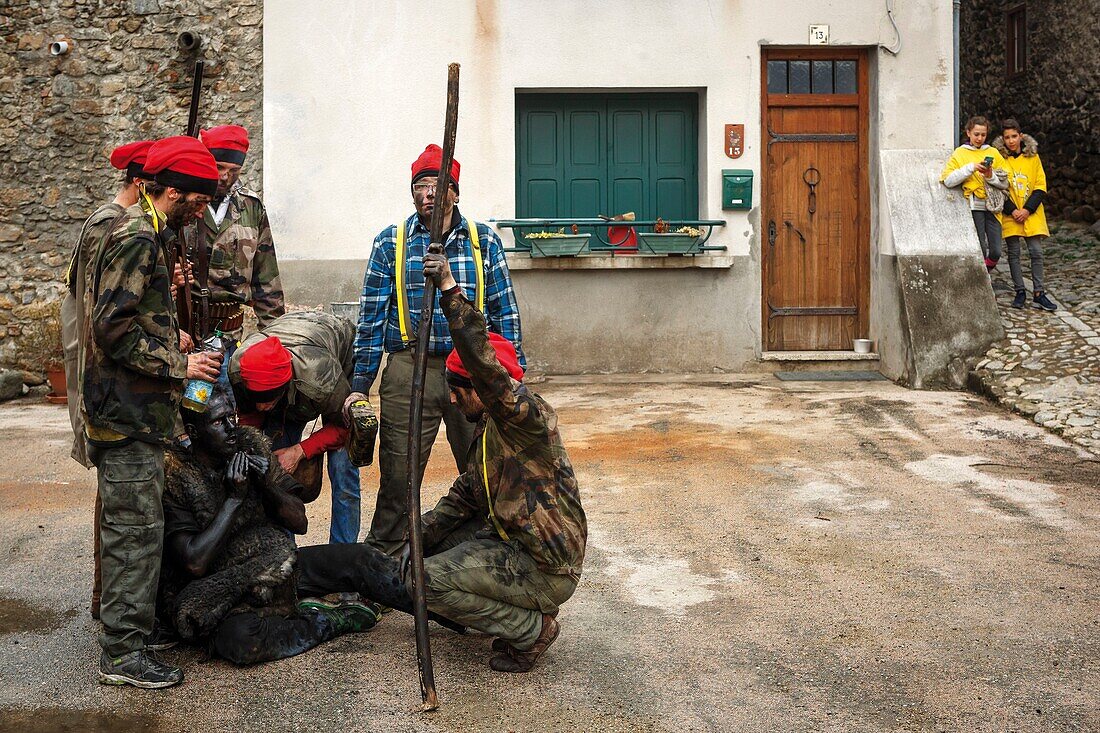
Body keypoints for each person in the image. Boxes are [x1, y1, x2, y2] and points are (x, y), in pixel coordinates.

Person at [298, 246, 586, 673]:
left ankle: (530, 629)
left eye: (459, 389)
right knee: (421, 559)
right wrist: (416, 539)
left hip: (545, 564)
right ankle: (502, 604)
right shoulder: (487, 433)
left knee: (424, 581)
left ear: (485, 390)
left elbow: (484, 366)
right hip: (513, 544)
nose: (451, 398)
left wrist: (450, 291)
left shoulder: (525, 418)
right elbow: (463, 499)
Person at [84, 135, 223, 688]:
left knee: (140, 526)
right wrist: (177, 365)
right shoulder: (138, 236)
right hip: (126, 412)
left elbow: (132, 315)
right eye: (198, 199)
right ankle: (121, 652)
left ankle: (133, 631)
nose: (202, 210)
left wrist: (173, 334)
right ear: (176, 191)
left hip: (133, 408)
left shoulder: (145, 233)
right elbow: (109, 329)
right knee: (134, 531)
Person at [346, 144, 524, 555]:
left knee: (483, 469)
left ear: (454, 192)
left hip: (472, 371)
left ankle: (483, 558)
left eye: (437, 184)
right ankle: (385, 564)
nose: (428, 193)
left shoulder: (484, 242)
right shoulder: (391, 243)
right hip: (411, 367)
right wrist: (360, 383)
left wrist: (511, 377)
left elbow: (505, 313)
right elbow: (371, 317)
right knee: (398, 475)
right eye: (419, 186)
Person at [159, 383, 380, 665]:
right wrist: (234, 500)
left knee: (359, 559)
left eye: (232, 417)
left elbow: (299, 522)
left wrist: (267, 487)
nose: (231, 428)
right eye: (218, 422)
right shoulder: (177, 475)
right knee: (241, 642)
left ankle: (429, 599)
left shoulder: (249, 445)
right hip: (221, 590)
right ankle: (329, 620)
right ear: (193, 433)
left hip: (271, 564)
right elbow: (195, 562)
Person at [61, 140, 163, 620]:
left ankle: (116, 611)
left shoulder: (119, 224)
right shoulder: (112, 224)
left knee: (124, 505)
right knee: (122, 507)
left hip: (107, 376)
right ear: (142, 185)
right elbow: (101, 316)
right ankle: (112, 613)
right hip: (107, 379)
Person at [227, 311, 362, 543]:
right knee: (274, 471)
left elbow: (345, 428)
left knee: (343, 471)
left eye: (267, 398)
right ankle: (284, 548)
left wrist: (300, 450)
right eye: (256, 396)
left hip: (336, 358)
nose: (261, 405)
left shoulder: (320, 378)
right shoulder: (239, 368)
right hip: (294, 348)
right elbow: (251, 415)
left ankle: (342, 551)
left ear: (285, 384)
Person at [196, 124, 284, 352]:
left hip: (230, 335)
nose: (225, 177)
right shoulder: (184, 205)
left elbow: (267, 281)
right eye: (219, 167)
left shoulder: (251, 208)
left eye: (234, 170)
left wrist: (274, 342)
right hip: (184, 334)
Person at [993, 120, 1057, 311]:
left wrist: (1027, 209)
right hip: (1010, 212)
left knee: (1036, 252)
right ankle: (1020, 291)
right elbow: (997, 188)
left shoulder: (1033, 158)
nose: (1011, 141)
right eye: (1007, 137)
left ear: (1020, 136)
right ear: (1002, 139)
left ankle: (1039, 292)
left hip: (1031, 212)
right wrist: (1012, 210)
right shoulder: (999, 159)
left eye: (1014, 136)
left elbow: (1040, 185)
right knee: (1014, 253)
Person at [941, 116, 1010, 273]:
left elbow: (1005, 182)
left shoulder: (993, 152)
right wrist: (970, 168)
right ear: (968, 133)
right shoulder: (960, 153)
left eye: (983, 135)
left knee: (996, 251)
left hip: (993, 205)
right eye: (976, 134)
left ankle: (985, 272)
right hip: (973, 206)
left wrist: (989, 175)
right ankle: (981, 278)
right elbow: (948, 180)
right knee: (980, 249)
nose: (979, 138)